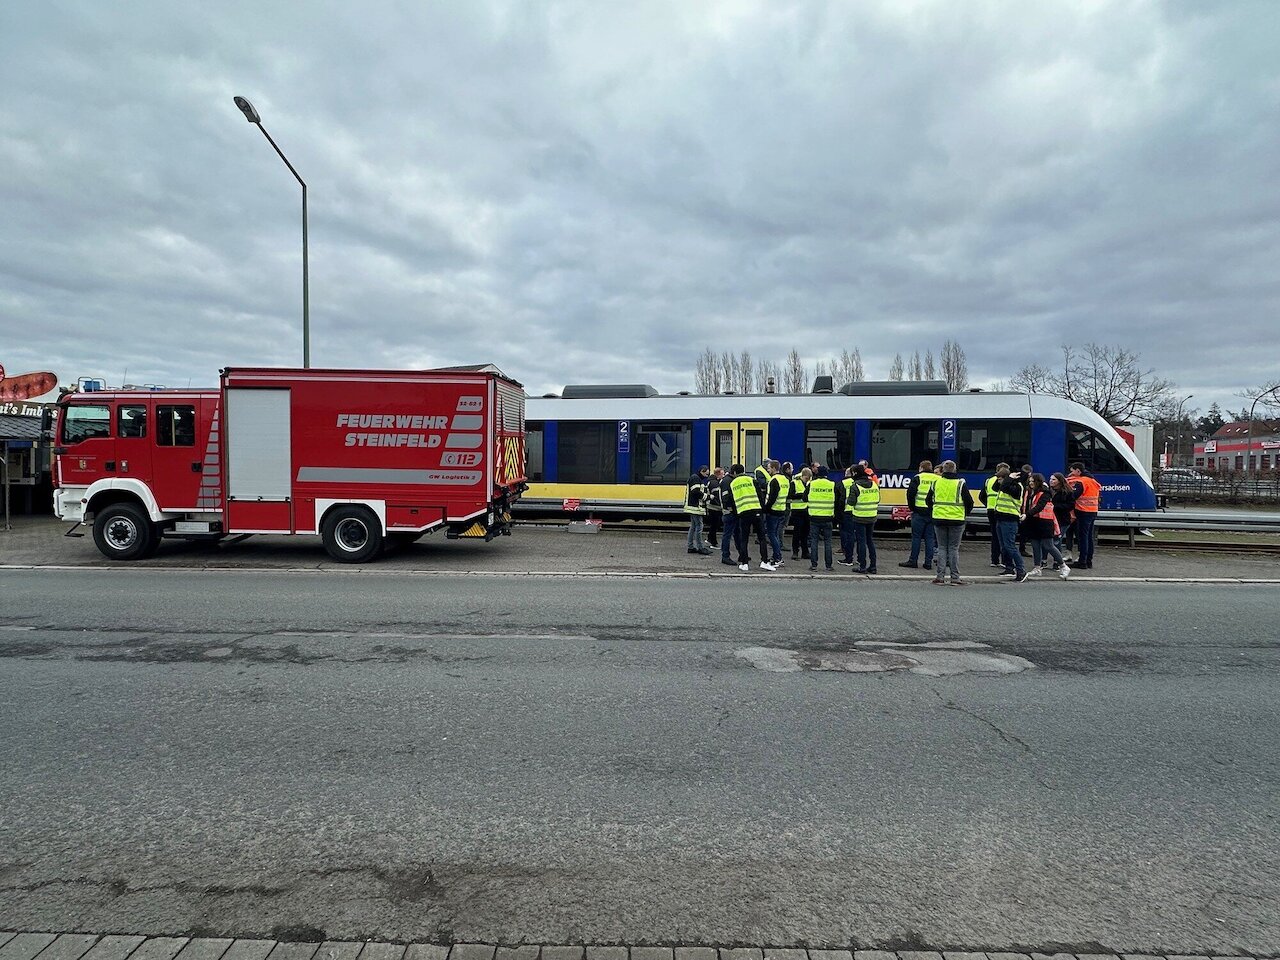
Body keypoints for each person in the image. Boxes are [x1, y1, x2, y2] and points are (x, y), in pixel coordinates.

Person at [925, 459, 974, 585]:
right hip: (957, 520)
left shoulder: (935, 483)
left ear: (942, 470)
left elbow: (928, 500)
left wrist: (934, 512)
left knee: (941, 547)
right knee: (953, 548)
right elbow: (969, 502)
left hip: (939, 518)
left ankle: (940, 577)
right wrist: (964, 513)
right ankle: (955, 578)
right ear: (955, 470)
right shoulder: (960, 484)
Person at [1024, 472, 1070, 579]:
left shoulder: (1045, 493)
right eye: (1029, 481)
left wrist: (1026, 514)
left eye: (1033, 481)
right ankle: (1037, 568)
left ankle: (1063, 566)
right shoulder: (1033, 492)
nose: (1031, 483)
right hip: (1035, 522)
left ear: (1038, 482)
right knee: (1035, 546)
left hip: (1045, 523)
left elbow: (1039, 506)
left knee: (1048, 545)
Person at [992, 462, 1028, 582]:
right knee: (1004, 546)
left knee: (1010, 546)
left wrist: (1008, 479)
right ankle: (1009, 567)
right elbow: (995, 487)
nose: (998, 481)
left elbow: (1004, 487)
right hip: (1001, 518)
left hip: (1010, 519)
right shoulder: (1004, 485)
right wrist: (1003, 479)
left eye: (1000, 479)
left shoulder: (1016, 487)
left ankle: (1021, 570)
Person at [900, 460, 938, 570]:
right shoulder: (938, 479)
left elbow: (910, 494)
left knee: (916, 538)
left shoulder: (917, 478)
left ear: (921, 467)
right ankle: (928, 563)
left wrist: (912, 508)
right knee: (930, 538)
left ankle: (913, 561)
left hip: (918, 512)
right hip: (932, 512)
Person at [806, 464, 844, 572]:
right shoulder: (832, 485)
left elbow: (804, 498)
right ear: (827, 474)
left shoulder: (811, 484)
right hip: (828, 518)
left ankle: (814, 565)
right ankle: (828, 566)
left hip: (814, 517)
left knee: (814, 541)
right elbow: (838, 501)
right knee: (828, 542)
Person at [727, 463, 763, 572]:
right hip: (756, 511)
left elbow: (731, 500)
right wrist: (762, 510)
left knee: (744, 539)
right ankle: (764, 561)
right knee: (762, 538)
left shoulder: (732, 483)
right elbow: (760, 495)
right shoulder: (751, 480)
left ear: (734, 472)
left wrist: (736, 513)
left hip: (743, 513)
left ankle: (744, 563)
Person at [1068, 461, 1101, 569]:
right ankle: (1088, 561)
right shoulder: (1093, 481)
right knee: (1089, 537)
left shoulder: (1081, 482)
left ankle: (1082, 562)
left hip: (1083, 511)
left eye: (1072, 471)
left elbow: (1073, 496)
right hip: (1093, 511)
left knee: (1083, 537)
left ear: (1078, 471)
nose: (1071, 474)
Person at [848, 463, 880, 573]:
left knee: (861, 542)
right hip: (872, 517)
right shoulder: (874, 484)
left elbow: (851, 502)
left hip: (859, 517)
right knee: (870, 541)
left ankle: (862, 566)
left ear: (855, 473)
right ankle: (873, 566)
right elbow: (878, 499)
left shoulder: (855, 486)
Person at [762, 460, 789, 570]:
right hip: (781, 509)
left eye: (768, 468)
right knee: (776, 534)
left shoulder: (774, 480)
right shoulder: (785, 479)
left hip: (773, 511)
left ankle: (778, 558)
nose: (768, 470)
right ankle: (776, 556)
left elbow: (772, 497)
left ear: (774, 468)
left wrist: (765, 509)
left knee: (771, 535)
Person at [1049, 472, 1076, 568]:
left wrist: (1055, 506)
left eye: (1053, 479)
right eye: (1051, 479)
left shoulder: (1067, 492)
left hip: (1062, 520)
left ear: (1059, 481)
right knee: (1052, 540)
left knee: (1057, 540)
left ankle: (1058, 563)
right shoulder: (1049, 491)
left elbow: (1071, 505)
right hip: (1051, 519)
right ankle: (1055, 561)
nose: (1051, 481)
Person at [683, 466, 712, 555]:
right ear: (702, 471)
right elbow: (695, 492)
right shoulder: (695, 478)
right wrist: (707, 497)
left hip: (693, 507)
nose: (706, 476)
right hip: (695, 507)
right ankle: (700, 547)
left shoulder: (695, 478)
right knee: (699, 526)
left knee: (693, 527)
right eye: (706, 474)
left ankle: (691, 546)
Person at [837, 466, 858, 566]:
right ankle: (859, 558)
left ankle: (848, 557)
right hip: (857, 512)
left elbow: (840, 500)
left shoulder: (843, 483)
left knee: (847, 534)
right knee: (859, 536)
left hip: (846, 512)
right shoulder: (857, 483)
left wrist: (838, 513)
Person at [982, 469, 1002, 568]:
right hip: (1001, 510)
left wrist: (987, 504)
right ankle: (1003, 560)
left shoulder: (988, 480)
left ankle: (994, 560)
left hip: (990, 509)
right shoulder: (1005, 481)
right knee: (1001, 536)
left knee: (994, 535)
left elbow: (982, 496)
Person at [790, 466, 811, 561]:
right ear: (803, 476)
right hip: (797, 511)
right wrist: (802, 495)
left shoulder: (809, 483)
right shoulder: (794, 483)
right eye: (806, 478)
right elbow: (790, 495)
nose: (807, 480)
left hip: (807, 510)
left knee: (805, 533)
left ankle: (805, 552)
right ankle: (795, 552)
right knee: (797, 533)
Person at [704, 467, 725, 547]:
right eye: (722, 474)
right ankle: (712, 541)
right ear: (718, 474)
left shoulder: (712, 481)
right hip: (714, 507)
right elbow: (717, 496)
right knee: (715, 525)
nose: (723, 476)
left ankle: (710, 539)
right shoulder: (715, 483)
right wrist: (721, 505)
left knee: (714, 525)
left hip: (712, 506)